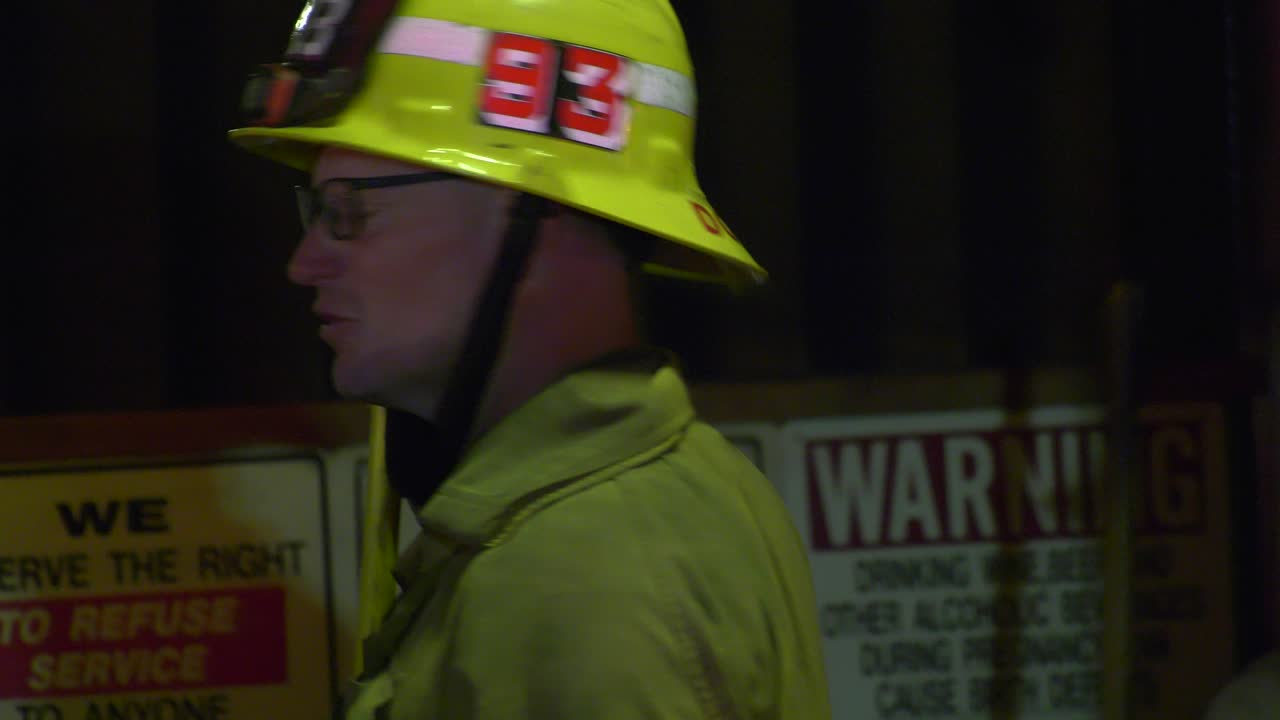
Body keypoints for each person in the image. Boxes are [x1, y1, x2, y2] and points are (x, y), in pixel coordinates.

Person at [230, 0, 831, 717]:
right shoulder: (680, 486)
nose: (306, 263)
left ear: (525, 216)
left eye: (349, 210)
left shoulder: (575, 577)